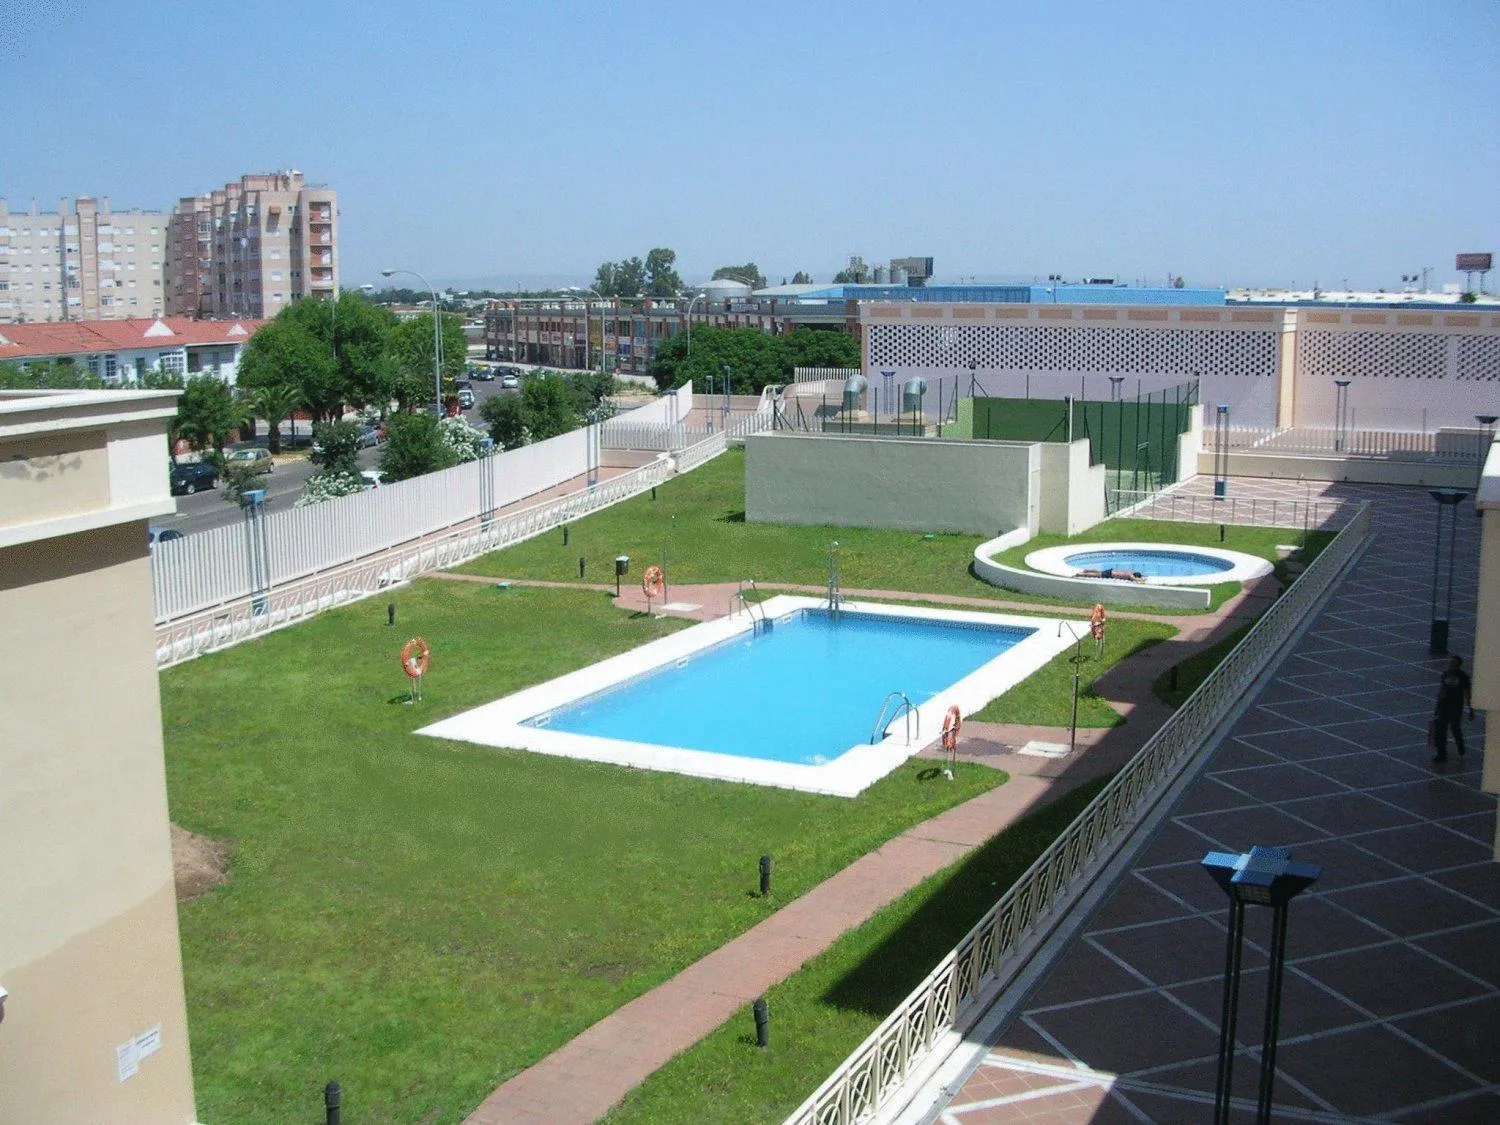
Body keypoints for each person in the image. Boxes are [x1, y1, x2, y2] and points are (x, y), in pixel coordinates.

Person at [1432, 654, 1474, 764]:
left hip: (1456, 707)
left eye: (1454, 663)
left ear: (1458, 665)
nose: (1451, 665)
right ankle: (1441, 754)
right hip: (1444, 706)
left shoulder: (1463, 677)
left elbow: (1468, 694)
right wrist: (1437, 706)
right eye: (1451, 663)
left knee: (1455, 729)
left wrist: (1470, 710)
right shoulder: (1445, 674)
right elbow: (1441, 690)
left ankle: (1460, 746)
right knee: (1441, 730)